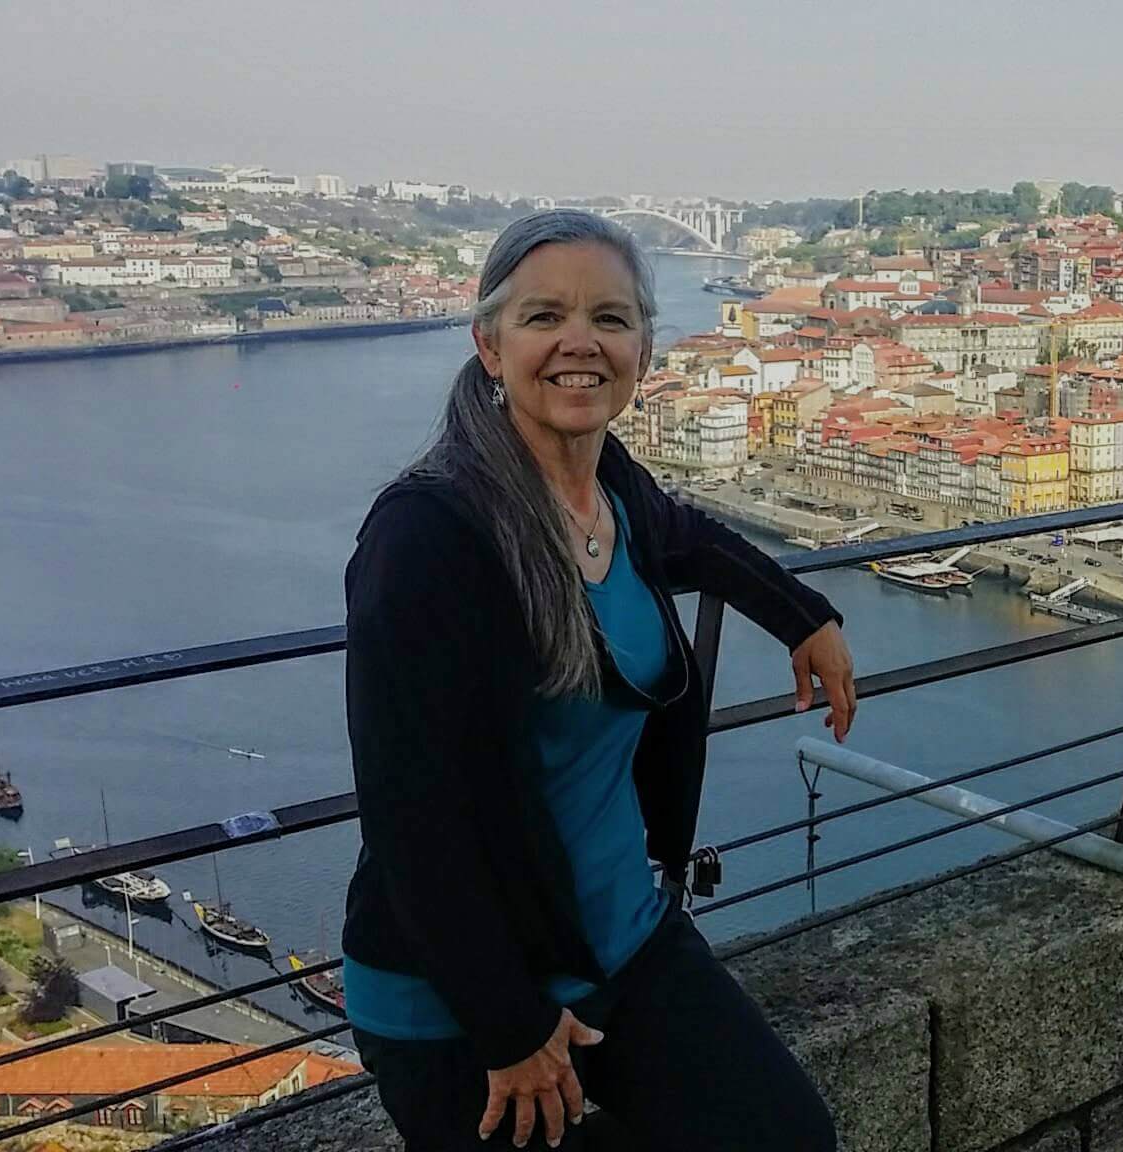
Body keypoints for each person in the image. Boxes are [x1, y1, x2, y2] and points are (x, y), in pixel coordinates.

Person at [341, 210, 853, 1151]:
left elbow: (693, 535)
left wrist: (806, 615)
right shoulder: (429, 536)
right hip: (461, 995)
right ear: (489, 346)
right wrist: (509, 1024)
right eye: (545, 317)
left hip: (622, 937)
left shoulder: (612, 487)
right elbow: (411, 813)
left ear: (643, 347)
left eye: (610, 319)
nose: (581, 342)